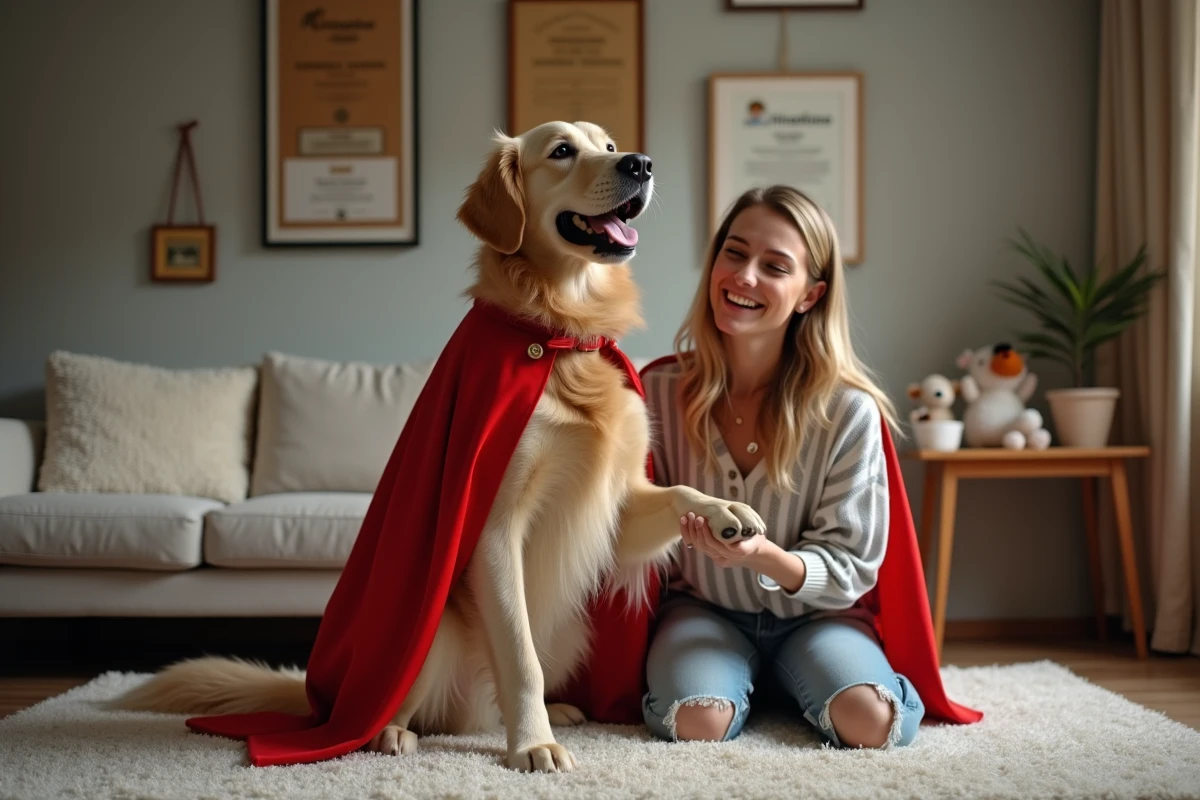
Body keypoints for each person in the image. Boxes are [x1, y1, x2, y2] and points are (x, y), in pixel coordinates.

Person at [639, 185, 921, 749]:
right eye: (734, 253)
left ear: (810, 295)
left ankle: (798, 682)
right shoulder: (657, 391)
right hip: (703, 611)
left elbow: (851, 564)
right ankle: (748, 686)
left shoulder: (849, 410)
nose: (744, 276)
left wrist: (762, 556)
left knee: (872, 723)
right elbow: (630, 525)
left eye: (774, 266)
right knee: (696, 723)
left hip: (819, 618)